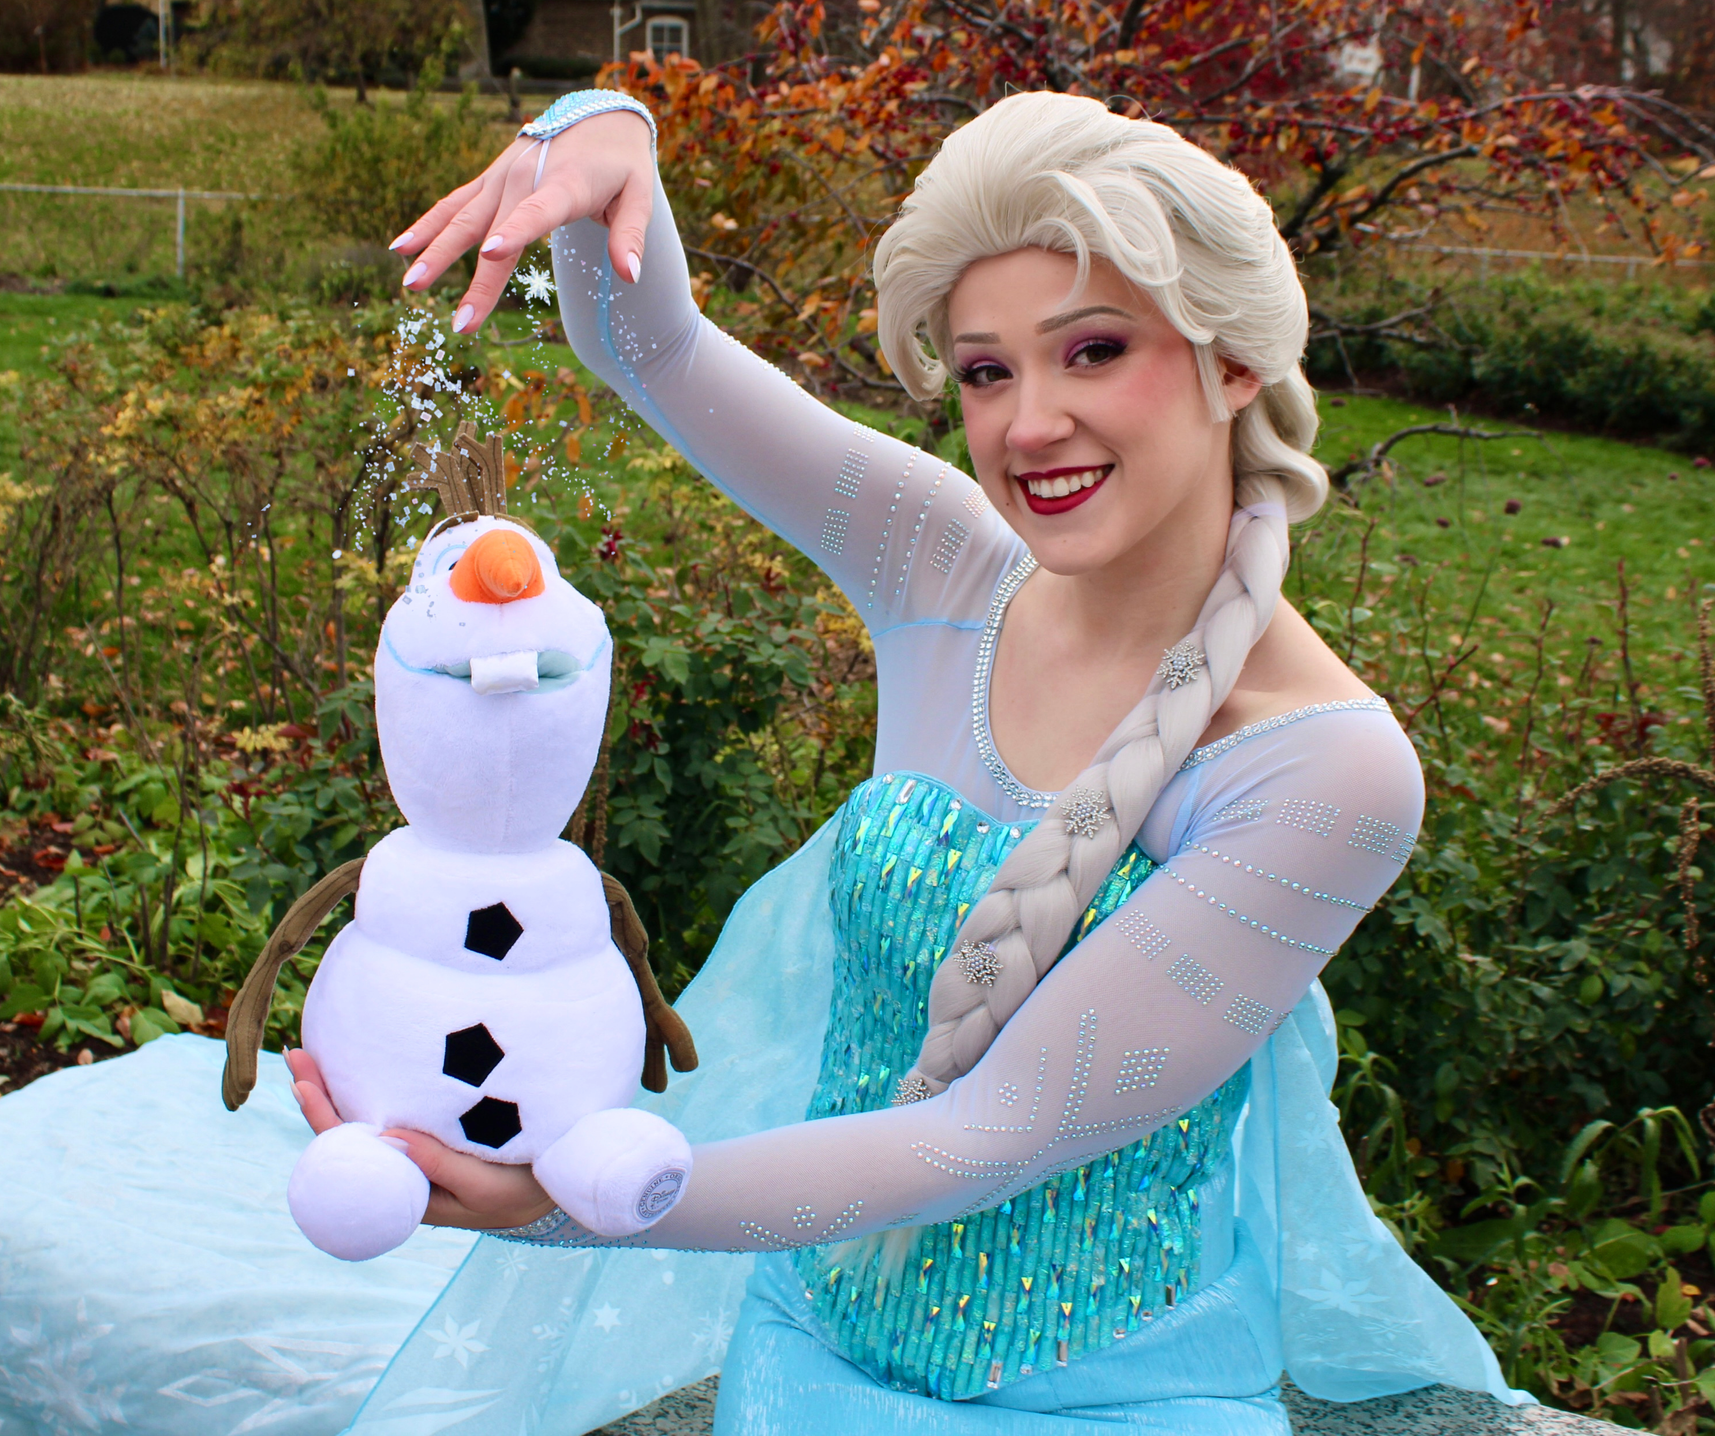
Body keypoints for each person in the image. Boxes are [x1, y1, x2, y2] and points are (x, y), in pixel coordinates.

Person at [290, 88, 1529, 1434]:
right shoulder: (945, 565)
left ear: (1235, 364)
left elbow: (986, 1135)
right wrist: (602, 135)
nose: (1028, 424)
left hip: (1107, 1405)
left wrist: (583, 1196)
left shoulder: (1322, 774)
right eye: (987, 371)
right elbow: (656, 351)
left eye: (1093, 350)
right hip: (807, 1353)